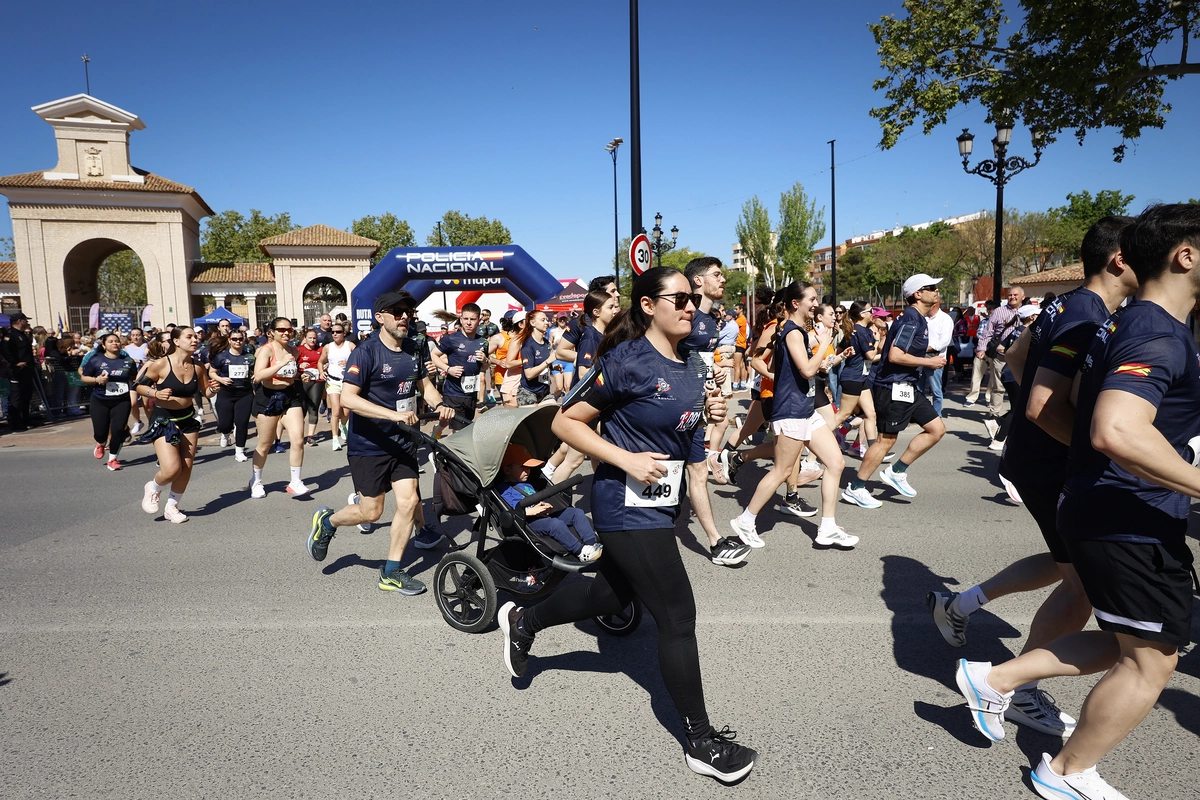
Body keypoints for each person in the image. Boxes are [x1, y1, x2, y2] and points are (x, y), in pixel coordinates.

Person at [952, 204, 1200, 800]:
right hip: (1126, 514)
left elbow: (1079, 406)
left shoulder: (1125, 320)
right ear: (1186, 255)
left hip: (1112, 507)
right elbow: (1115, 428)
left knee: (1137, 644)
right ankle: (1065, 771)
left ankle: (999, 679)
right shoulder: (1153, 331)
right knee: (1151, 660)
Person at [498, 267, 758, 784]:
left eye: (692, 298)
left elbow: (684, 433)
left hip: (661, 504)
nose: (690, 306)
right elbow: (564, 421)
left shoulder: (691, 360)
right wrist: (627, 459)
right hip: (623, 505)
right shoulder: (625, 361)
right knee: (678, 618)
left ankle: (525, 620)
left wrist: (710, 414)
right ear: (648, 305)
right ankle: (701, 741)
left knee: (610, 595)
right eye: (678, 298)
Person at [927, 217, 1137, 740]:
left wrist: (1033, 416)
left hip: (1037, 457)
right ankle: (1014, 689)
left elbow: (1016, 359)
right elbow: (1040, 400)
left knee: (1066, 566)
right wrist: (1083, 445)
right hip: (1052, 463)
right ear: (1120, 260)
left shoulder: (1063, 304)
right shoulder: (1087, 313)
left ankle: (961, 607)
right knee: (1081, 587)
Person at [307, 291, 454, 595]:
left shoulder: (414, 347)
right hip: (369, 445)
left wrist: (440, 404)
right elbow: (348, 399)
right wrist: (393, 415)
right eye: (396, 312)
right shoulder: (366, 351)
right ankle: (328, 522)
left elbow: (424, 385)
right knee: (372, 512)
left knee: (409, 502)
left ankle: (391, 571)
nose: (404, 317)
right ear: (379, 317)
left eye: (407, 312)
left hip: (403, 442)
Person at [730, 282, 857, 549]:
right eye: (811, 299)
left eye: (816, 299)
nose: (816, 304)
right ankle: (746, 520)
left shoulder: (797, 332)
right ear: (796, 303)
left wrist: (822, 357)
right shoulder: (791, 332)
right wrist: (825, 343)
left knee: (836, 463)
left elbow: (807, 369)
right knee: (783, 470)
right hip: (791, 411)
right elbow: (806, 371)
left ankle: (828, 528)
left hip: (806, 409)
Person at [842, 274, 947, 508]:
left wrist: (927, 352)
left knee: (937, 429)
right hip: (892, 387)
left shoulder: (917, 319)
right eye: (931, 287)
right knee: (885, 441)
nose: (936, 291)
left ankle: (897, 471)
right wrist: (929, 362)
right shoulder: (911, 318)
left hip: (907, 386)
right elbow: (895, 355)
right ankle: (856, 488)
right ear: (917, 294)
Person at [137, 326, 215, 523]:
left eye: (196, 337)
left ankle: (172, 507)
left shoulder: (198, 366)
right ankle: (153, 487)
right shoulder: (161, 364)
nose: (195, 340)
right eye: (189, 337)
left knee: (186, 467)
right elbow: (138, 386)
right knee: (172, 469)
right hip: (164, 419)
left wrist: (214, 389)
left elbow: (205, 391)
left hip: (187, 419)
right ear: (176, 341)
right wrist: (155, 393)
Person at [498, 443, 602, 562]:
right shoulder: (504, 489)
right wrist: (531, 511)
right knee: (555, 524)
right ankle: (580, 552)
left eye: (529, 467)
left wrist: (545, 507)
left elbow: (536, 500)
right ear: (507, 470)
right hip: (527, 522)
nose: (528, 471)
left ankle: (592, 544)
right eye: (523, 467)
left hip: (542, 515)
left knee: (576, 513)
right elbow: (510, 512)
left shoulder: (527, 483)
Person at [249, 317, 308, 498]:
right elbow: (258, 376)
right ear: (272, 332)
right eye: (281, 330)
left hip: (290, 396)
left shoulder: (294, 351)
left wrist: (301, 375)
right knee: (265, 444)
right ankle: (256, 481)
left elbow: (292, 374)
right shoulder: (266, 350)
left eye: (289, 330)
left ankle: (295, 481)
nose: (286, 333)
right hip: (268, 398)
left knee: (298, 439)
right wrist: (281, 363)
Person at [984, 304, 1039, 451]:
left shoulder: (1016, 330)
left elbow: (1000, 348)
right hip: (1015, 374)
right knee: (1017, 408)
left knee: (1019, 406)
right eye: (1037, 315)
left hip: (1008, 372)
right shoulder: (1028, 333)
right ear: (1032, 317)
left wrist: (1012, 353)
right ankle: (998, 440)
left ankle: (997, 422)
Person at [79, 332, 135, 470]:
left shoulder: (128, 361)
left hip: (122, 400)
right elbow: (84, 377)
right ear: (104, 345)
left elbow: (134, 378)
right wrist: (97, 379)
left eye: (117, 341)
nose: (115, 343)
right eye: (111, 341)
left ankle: (113, 459)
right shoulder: (96, 360)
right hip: (100, 400)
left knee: (118, 430)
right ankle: (101, 442)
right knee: (100, 432)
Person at [831, 304, 881, 459]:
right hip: (853, 378)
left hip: (861, 378)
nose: (873, 313)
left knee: (870, 413)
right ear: (861, 314)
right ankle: (816, 440)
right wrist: (880, 345)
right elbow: (871, 356)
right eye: (870, 311)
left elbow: (838, 351)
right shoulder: (860, 331)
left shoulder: (855, 331)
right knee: (843, 414)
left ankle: (873, 451)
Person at [430, 302, 486, 436]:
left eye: (472, 319)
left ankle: (437, 431)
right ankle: (445, 449)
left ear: (479, 321)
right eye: (465, 319)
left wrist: (485, 360)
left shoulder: (483, 342)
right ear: (461, 319)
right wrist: (448, 369)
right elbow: (433, 355)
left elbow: (484, 367)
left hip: (471, 393)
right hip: (454, 393)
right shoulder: (451, 339)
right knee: (460, 433)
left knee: (463, 425)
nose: (468, 323)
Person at [209, 328, 256, 461]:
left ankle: (239, 451)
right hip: (226, 393)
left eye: (240, 339)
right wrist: (221, 379)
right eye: (234, 339)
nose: (237, 341)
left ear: (244, 340)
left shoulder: (250, 357)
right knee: (225, 424)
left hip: (244, 393)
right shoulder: (222, 357)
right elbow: (211, 372)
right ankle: (225, 433)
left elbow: (256, 370)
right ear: (229, 340)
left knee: (242, 423)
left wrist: (255, 376)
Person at [318, 321, 356, 451]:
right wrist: (321, 371)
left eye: (338, 332)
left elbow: (359, 360)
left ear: (344, 333)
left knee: (346, 412)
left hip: (347, 382)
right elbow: (320, 361)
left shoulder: (350, 345)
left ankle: (343, 425)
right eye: (333, 332)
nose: (335, 334)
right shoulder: (328, 347)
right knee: (335, 411)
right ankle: (335, 439)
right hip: (333, 381)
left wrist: (349, 363)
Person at [1, 312, 36, 430]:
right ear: (20, 321)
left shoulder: (22, 335)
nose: (27, 322)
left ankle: (26, 419)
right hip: (16, 370)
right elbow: (5, 350)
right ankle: (16, 422)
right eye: (25, 320)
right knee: (17, 397)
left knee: (27, 395)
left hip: (26, 369)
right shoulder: (10, 334)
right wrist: (14, 362)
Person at [516, 310, 556, 406]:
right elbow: (529, 374)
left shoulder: (547, 343)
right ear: (532, 323)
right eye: (543, 320)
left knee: (553, 410)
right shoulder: (528, 345)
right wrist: (547, 362)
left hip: (544, 391)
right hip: (528, 392)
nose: (547, 323)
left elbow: (543, 365)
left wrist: (553, 367)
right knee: (533, 416)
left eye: (547, 320)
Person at [923, 298, 953, 416]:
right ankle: (919, 414)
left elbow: (944, 341)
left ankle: (936, 415)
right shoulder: (923, 317)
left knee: (936, 389)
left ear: (934, 305)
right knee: (918, 389)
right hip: (920, 358)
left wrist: (926, 348)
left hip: (935, 358)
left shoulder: (945, 319)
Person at [297, 328, 325, 447]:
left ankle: (310, 437)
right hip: (302, 381)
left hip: (317, 381)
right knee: (301, 410)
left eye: (314, 338)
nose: (313, 340)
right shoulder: (299, 350)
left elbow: (325, 361)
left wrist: (325, 366)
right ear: (305, 338)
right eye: (310, 338)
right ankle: (299, 436)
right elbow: (291, 364)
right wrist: (299, 365)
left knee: (314, 408)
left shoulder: (320, 349)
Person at [123, 327, 149, 435]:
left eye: (138, 335)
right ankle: (138, 422)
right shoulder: (126, 348)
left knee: (146, 404)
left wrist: (139, 361)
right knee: (133, 403)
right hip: (132, 378)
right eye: (133, 335)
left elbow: (152, 362)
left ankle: (151, 425)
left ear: (142, 336)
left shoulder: (146, 347)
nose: (135, 337)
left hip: (144, 378)